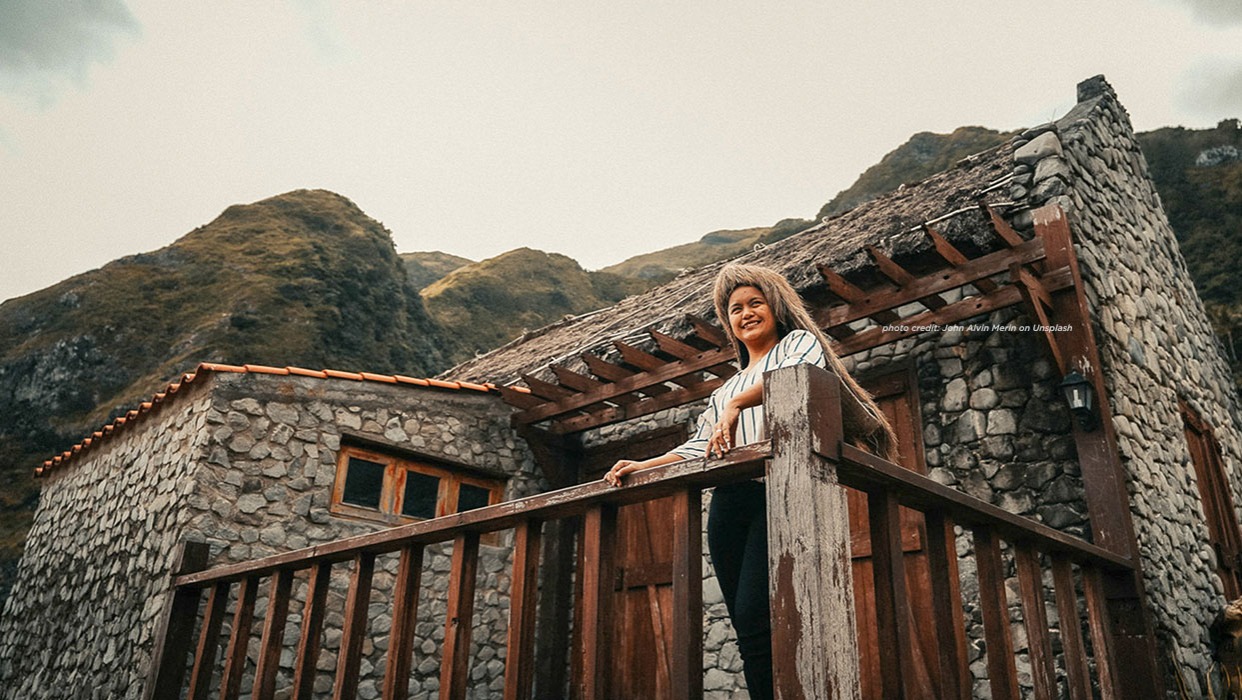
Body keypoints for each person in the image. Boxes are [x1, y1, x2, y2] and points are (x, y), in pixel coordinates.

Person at [604, 263, 896, 700]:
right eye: (735, 309)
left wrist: (739, 404)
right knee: (746, 628)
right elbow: (701, 445)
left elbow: (797, 375)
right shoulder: (725, 389)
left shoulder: (799, 343)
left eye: (755, 303)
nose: (745, 314)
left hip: (779, 493)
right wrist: (642, 463)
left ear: (776, 308)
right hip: (730, 503)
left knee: (758, 612)